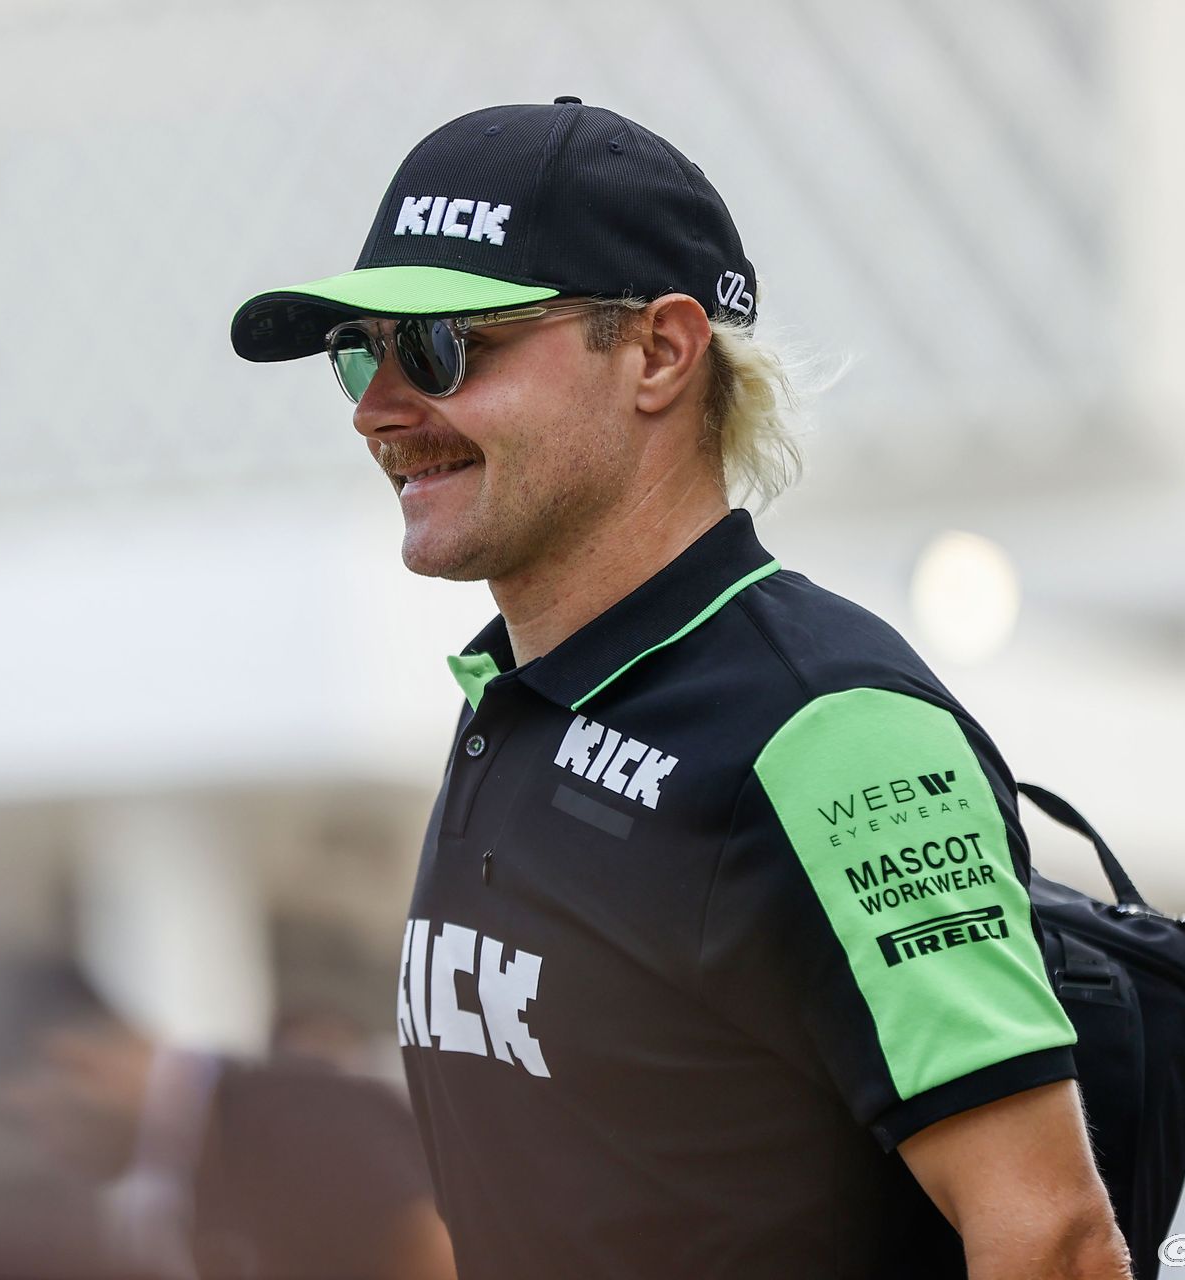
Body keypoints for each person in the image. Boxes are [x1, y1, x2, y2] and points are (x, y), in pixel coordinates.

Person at [230, 98, 1131, 1279]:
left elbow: (1055, 1237)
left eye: (441, 345)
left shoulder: (828, 727)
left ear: (659, 352)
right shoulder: (515, 699)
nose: (375, 408)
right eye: (360, 351)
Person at [0, 961, 456, 1280]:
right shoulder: (196, 1160)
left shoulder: (293, 1117)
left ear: (77, 1063)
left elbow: (439, 1263)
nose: (48, 1153)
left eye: (32, 1123)